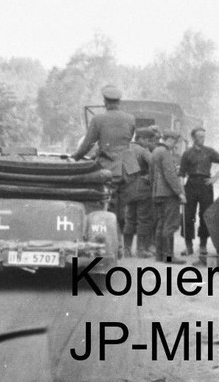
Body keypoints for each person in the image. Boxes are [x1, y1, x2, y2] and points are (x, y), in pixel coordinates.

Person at [70, 85, 137, 217]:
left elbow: (87, 145)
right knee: (125, 206)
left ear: (105, 102)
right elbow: (127, 141)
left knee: (103, 201)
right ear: (119, 102)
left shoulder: (98, 120)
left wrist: (75, 157)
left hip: (109, 165)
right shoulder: (131, 119)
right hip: (129, 167)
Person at [178, 127, 219, 260]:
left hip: (206, 186)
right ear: (193, 138)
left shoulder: (209, 152)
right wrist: (182, 191)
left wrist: (214, 178)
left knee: (205, 215)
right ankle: (188, 245)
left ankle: (203, 245)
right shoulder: (187, 153)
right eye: (199, 137)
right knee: (188, 216)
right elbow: (181, 173)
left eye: (203, 137)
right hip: (191, 185)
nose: (202, 139)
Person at [119, 126, 159, 258]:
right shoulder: (143, 151)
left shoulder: (126, 149)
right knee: (143, 219)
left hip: (128, 188)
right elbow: (155, 165)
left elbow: (128, 169)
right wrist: (149, 178)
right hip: (143, 189)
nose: (149, 143)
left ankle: (126, 249)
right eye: (148, 140)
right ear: (141, 139)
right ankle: (141, 250)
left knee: (129, 219)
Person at [151, 129, 186, 264]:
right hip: (168, 194)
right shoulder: (165, 152)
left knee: (160, 224)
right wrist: (180, 193)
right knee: (170, 224)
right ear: (170, 140)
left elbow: (152, 174)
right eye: (175, 142)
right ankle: (169, 256)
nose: (175, 145)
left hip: (157, 193)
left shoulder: (155, 151)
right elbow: (170, 175)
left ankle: (159, 255)